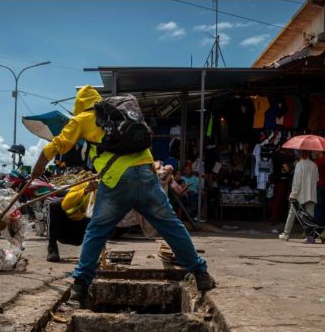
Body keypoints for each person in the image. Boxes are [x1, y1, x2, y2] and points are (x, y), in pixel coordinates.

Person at [31, 85, 214, 302]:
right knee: (171, 225)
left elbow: (59, 144)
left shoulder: (81, 119)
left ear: (79, 105)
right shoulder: (121, 114)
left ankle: (80, 284)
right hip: (146, 175)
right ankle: (200, 273)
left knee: (97, 231)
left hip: (116, 181)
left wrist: (39, 165)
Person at [46, 179, 95, 262]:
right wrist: (86, 190)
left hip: (86, 231)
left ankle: (91, 252)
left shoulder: (106, 189)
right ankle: (52, 248)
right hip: (66, 227)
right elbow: (65, 204)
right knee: (54, 205)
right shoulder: (83, 184)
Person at [279, 150, 318, 242]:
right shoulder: (314, 165)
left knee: (292, 213)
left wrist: (293, 194)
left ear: (300, 154)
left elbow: (297, 182)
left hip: (300, 194)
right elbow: (317, 179)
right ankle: (310, 237)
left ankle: (286, 234)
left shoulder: (299, 165)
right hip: (311, 193)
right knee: (310, 216)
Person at [313, 151, 325, 225]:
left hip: (319, 184)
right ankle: (322, 223)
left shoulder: (317, 161)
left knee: (317, 205)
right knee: (322, 205)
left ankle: (317, 223)